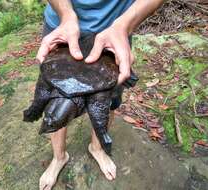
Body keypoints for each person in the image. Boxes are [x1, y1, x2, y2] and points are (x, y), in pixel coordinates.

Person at [36, 1, 163, 189]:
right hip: (62, 27)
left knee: (107, 100)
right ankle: (59, 157)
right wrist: (66, 15)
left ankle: (97, 147)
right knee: (53, 101)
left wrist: (124, 25)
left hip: (114, 31)